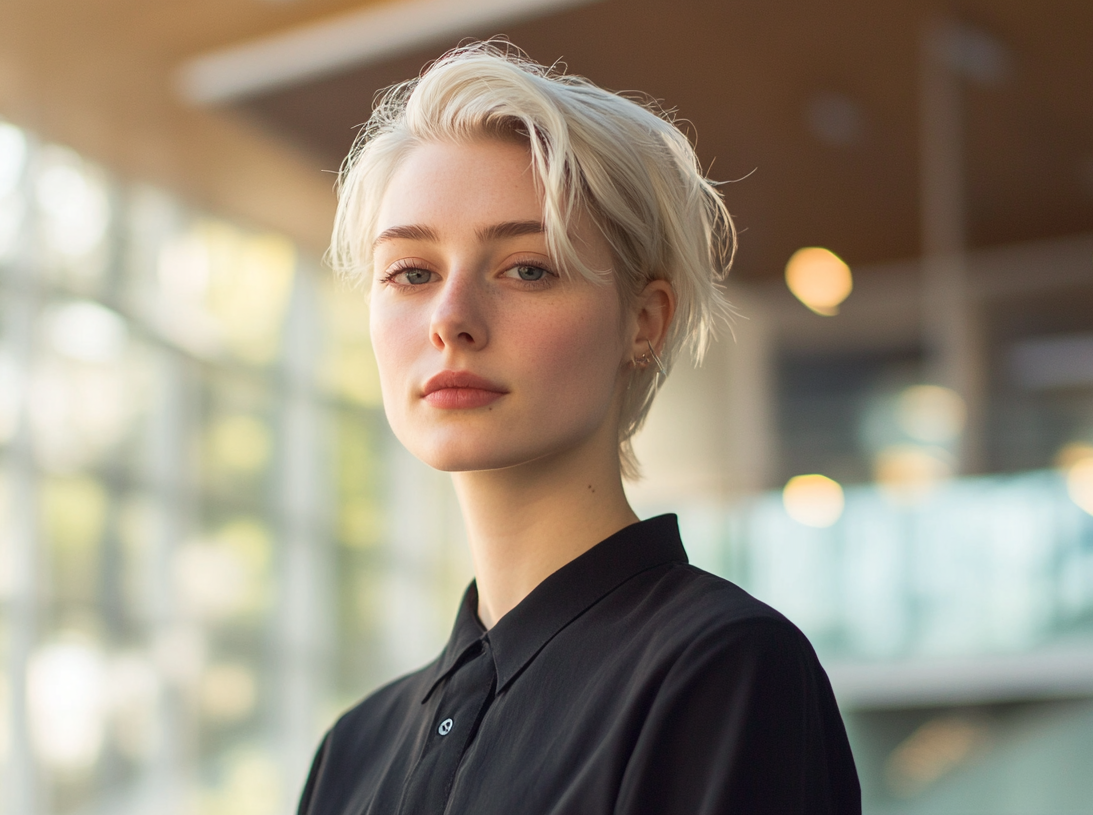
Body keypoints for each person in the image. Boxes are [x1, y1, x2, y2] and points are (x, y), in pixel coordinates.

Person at [299, 41, 860, 815]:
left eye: (527, 268)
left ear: (645, 320)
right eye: (412, 273)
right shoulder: (351, 754)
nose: (451, 320)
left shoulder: (721, 672)